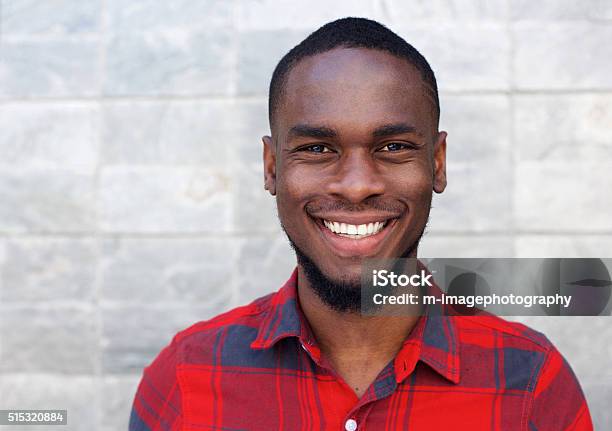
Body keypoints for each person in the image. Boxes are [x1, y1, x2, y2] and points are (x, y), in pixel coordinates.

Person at [129, 18, 592, 430]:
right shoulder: (185, 377)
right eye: (316, 149)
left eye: (392, 147)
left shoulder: (531, 381)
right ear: (271, 167)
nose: (355, 187)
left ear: (437, 163)